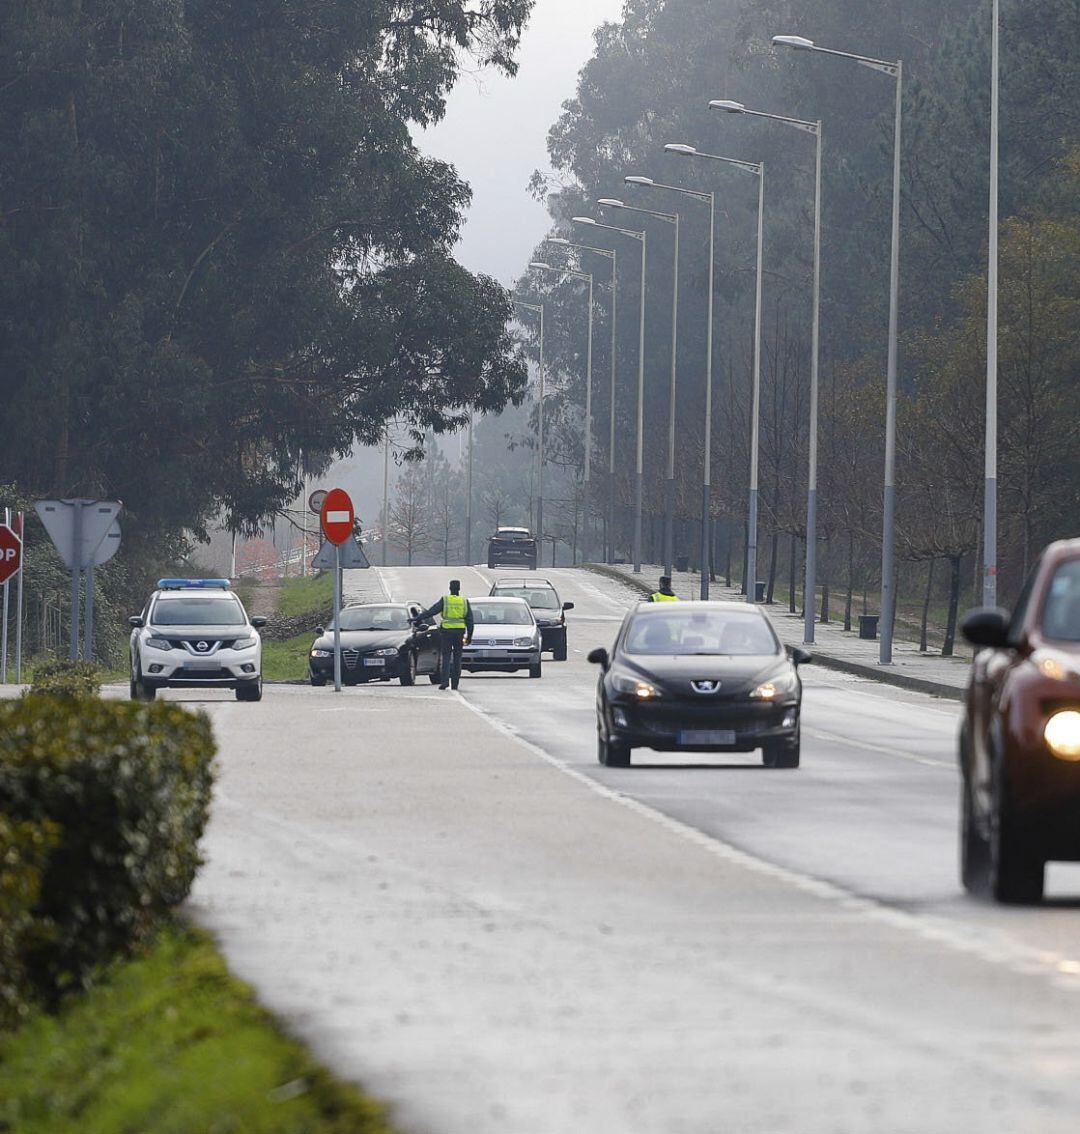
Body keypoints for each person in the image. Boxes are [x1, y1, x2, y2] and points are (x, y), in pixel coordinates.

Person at [415, 580, 475, 690]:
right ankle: (455, 684)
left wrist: (417, 618)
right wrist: (469, 636)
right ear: (459, 588)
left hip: (447, 632)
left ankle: (444, 682)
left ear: (450, 588)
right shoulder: (464, 601)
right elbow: (470, 620)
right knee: (457, 658)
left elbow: (432, 611)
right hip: (459, 632)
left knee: (446, 657)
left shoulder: (445, 600)